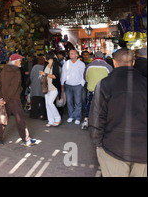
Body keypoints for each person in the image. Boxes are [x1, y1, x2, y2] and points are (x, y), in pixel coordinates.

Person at [89, 48, 147, 177]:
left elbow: (96, 118)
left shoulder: (104, 84)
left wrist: (98, 144)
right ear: (133, 63)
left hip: (113, 147)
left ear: (114, 63)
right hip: (143, 150)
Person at [0, 53, 38, 147]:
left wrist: (1, 98)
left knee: (3, 119)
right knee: (20, 120)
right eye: (20, 60)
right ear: (15, 62)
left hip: (5, 99)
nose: (21, 62)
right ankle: (26, 140)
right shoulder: (16, 72)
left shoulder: (4, 70)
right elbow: (13, 88)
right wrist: (4, 99)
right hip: (14, 99)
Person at [82, 51, 113, 130]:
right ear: (103, 57)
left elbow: (85, 78)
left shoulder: (89, 66)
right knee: (104, 106)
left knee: (90, 104)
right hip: (104, 91)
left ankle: (86, 120)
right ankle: (103, 123)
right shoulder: (108, 66)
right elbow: (111, 78)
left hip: (92, 89)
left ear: (94, 57)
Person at [60, 49, 86, 125]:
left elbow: (83, 75)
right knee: (69, 101)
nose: (70, 55)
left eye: (72, 53)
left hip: (78, 85)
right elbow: (63, 74)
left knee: (78, 102)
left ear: (76, 55)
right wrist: (62, 83)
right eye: (70, 54)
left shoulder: (81, 64)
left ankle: (78, 117)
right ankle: (71, 116)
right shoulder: (66, 63)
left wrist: (82, 84)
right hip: (68, 85)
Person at [40, 52, 62, 127]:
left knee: (50, 103)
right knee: (47, 104)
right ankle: (51, 120)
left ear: (48, 57)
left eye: (44, 56)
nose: (44, 58)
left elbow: (56, 76)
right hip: (46, 87)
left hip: (54, 87)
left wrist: (45, 74)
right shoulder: (46, 65)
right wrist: (42, 75)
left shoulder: (55, 65)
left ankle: (57, 118)